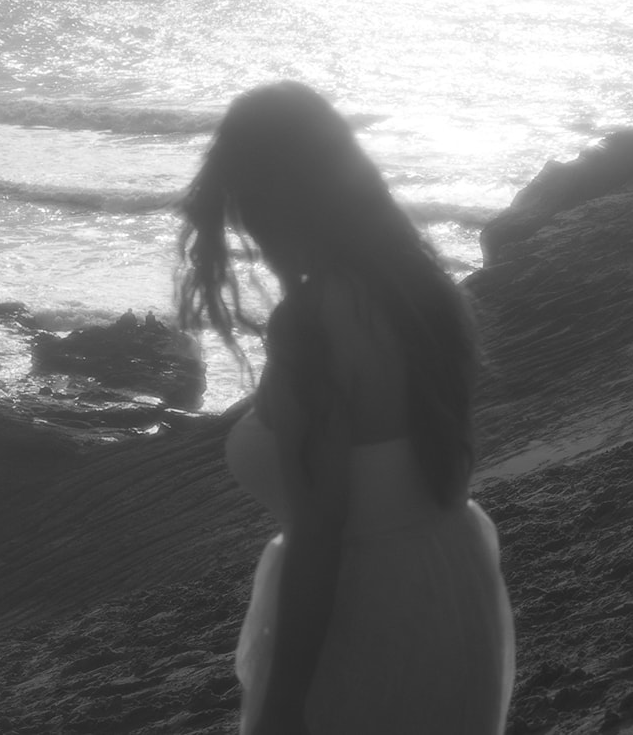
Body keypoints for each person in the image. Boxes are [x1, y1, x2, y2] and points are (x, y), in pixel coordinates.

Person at [177, 81, 514, 735]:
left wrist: (283, 704)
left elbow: (321, 532)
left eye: (245, 205)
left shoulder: (312, 325)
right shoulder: (419, 290)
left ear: (277, 202)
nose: (245, 228)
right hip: (453, 580)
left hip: (365, 610)